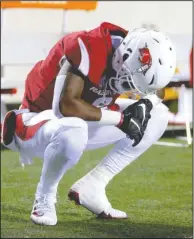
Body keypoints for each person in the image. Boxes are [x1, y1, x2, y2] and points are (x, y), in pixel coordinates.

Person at [1, 22, 176, 226]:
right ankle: (45, 197)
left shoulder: (135, 53)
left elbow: (158, 89)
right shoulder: (88, 46)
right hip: (35, 122)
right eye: (129, 81)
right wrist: (121, 120)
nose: (127, 87)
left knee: (158, 114)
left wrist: (147, 103)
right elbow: (64, 106)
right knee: (74, 128)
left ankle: (93, 186)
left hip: (81, 121)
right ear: (125, 55)